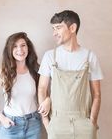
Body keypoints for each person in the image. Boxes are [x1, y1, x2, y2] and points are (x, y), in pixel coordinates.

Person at [37, 10, 103, 139]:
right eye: (53, 28)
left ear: (72, 28)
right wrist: (47, 123)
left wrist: (92, 121)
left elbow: (97, 94)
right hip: (56, 123)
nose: (54, 33)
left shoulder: (89, 56)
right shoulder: (50, 56)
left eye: (58, 28)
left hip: (84, 122)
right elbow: (42, 89)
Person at [0, 32, 41, 139]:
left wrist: (47, 100)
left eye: (23, 45)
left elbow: (43, 93)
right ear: (9, 50)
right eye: (15, 46)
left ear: (28, 48)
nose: (20, 49)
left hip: (34, 124)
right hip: (11, 125)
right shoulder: (2, 72)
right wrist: (2, 119)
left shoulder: (35, 70)